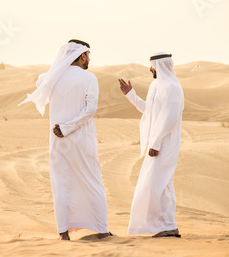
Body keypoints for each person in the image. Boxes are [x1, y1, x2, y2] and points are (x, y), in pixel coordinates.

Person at [18, 39, 112, 240]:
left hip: (58, 139)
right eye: (88, 55)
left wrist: (63, 128)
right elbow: (90, 109)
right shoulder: (89, 78)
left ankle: (63, 233)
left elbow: (41, 82)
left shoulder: (52, 78)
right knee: (92, 181)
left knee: (62, 183)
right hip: (81, 139)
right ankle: (102, 230)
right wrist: (68, 127)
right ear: (82, 55)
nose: (89, 60)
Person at [118, 52, 184, 238]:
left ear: (161, 65)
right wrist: (130, 95)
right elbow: (148, 110)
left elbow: (169, 118)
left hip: (165, 144)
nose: (150, 69)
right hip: (156, 144)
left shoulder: (173, 87)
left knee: (159, 184)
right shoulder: (157, 85)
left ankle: (169, 226)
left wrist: (155, 143)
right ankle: (167, 226)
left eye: (152, 65)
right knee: (160, 185)